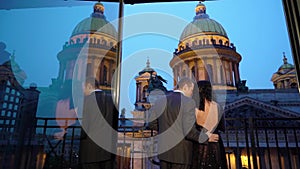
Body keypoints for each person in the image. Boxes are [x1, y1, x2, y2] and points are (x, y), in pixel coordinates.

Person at [148, 77, 219, 169]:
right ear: (185, 87)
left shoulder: (159, 101)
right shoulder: (188, 102)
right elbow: (189, 131)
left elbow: (151, 124)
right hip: (181, 153)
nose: (192, 93)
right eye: (191, 90)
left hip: (164, 152)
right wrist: (206, 137)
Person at [79, 77, 119, 169]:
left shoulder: (86, 101)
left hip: (90, 150)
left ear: (89, 86)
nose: (83, 92)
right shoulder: (111, 100)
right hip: (108, 149)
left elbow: (85, 126)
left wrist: (77, 136)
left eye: (83, 89)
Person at [192, 80, 227, 169]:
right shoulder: (217, 106)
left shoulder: (194, 106)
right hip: (216, 142)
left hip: (200, 143)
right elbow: (222, 126)